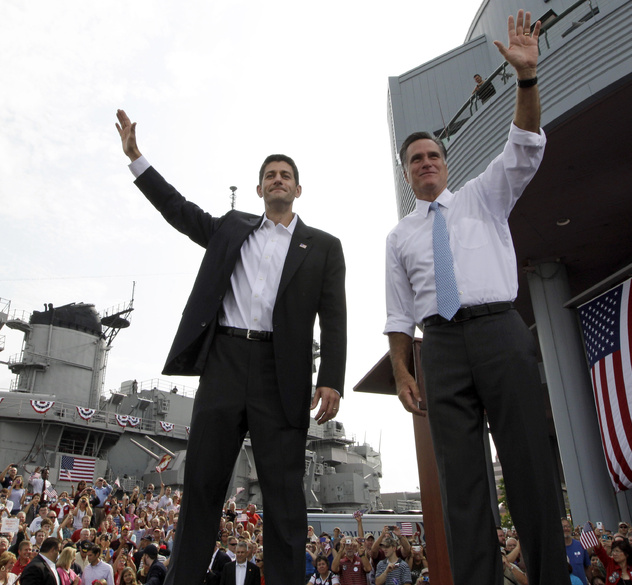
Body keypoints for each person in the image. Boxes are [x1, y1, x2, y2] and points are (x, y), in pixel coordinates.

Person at [115, 109, 346, 585]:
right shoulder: (230, 229)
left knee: (284, 495)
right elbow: (179, 211)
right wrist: (137, 159)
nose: (277, 180)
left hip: (279, 373)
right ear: (259, 189)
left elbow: (335, 315)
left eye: (285, 175)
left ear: (298, 190)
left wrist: (332, 379)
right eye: (269, 176)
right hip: (223, 362)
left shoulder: (323, 246)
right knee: (201, 485)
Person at [384, 9, 568, 585]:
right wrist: (401, 368)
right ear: (407, 173)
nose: (427, 164)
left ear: (446, 163)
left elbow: (526, 146)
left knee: (530, 466)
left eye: (434, 156)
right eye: (416, 160)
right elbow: (396, 311)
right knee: (461, 484)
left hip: (498, 332)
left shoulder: (484, 196)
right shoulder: (399, 237)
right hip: (438, 346)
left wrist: (527, 78)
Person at [563, 519, 591, 585]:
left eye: (568, 526)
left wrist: (592, 581)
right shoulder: (556, 548)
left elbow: (587, 568)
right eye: (563, 526)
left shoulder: (580, 545)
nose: (566, 529)